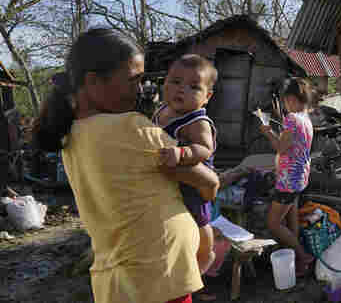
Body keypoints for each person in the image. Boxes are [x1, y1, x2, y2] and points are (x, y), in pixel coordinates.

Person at [33, 28, 219, 303]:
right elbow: (210, 182)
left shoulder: (72, 135)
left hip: (119, 277)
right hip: (161, 275)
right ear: (93, 82)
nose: (139, 90)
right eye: (134, 80)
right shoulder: (131, 127)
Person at [153, 54, 218, 279]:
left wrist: (182, 153)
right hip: (171, 178)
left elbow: (205, 148)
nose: (181, 89)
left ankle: (206, 254)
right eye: (175, 82)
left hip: (194, 183)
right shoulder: (162, 111)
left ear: (207, 97)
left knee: (199, 220)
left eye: (193, 86)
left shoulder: (197, 121)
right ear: (165, 84)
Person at [259, 77, 315, 276]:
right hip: (300, 176)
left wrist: (267, 132)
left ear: (290, 99)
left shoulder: (291, 119)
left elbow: (281, 148)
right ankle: (299, 263)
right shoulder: (306, 118)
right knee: (292, 220)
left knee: (273, 224)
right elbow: (293, 145)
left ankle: (303, 256)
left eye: (285, 100)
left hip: (288, 180)